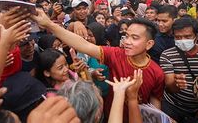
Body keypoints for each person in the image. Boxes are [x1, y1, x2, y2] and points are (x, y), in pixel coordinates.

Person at [31, 11, 165, 121]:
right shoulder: (116, 54)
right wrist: (49, 24)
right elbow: (84, 45)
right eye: (126, 36)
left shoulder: (157, 72)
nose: (127, 42)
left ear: (149, 44)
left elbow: (155, 110)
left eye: (134, 38)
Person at [159, 17, 198, 123]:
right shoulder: (167, 55)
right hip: (173, 107)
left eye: (187, 36)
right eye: (178, 37)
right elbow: (170, 86)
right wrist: (176, 85)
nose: (182, 40)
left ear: (196, 36)